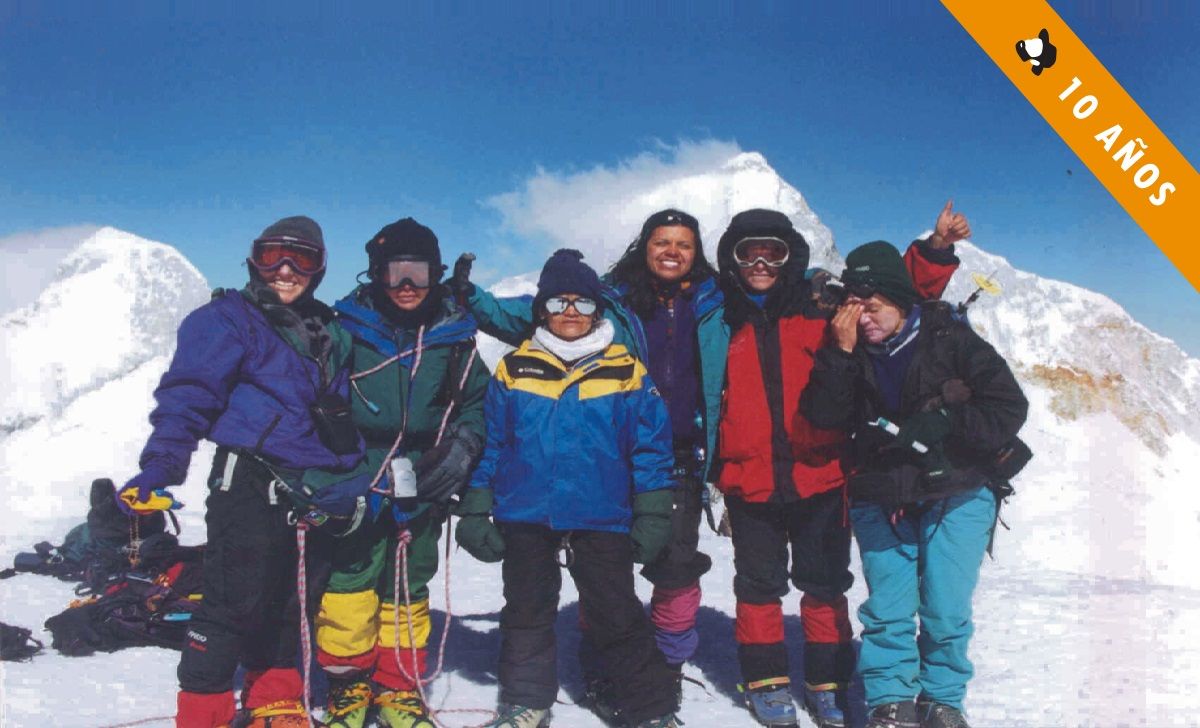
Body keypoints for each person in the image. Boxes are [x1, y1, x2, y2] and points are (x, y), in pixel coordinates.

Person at [453, 210, 723, 713]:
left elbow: (649, 448)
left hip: (603, 511)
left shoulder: (625, 369)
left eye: (582, 302)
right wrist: (475, 507)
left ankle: (647, 707)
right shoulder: (515, 368)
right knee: (527, 613)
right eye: (558, 302)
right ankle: (526, 704)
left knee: (616, 612)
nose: (571, 311)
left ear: (599, 309)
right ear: (541, 310)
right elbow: (494, 444)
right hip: (527, 512)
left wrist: (652, 512)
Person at [713, 205, 967, 728]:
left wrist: (935, 251)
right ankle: (766, 681)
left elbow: (891, 293)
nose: (761, 264)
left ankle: (827, 683)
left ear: (790, 256)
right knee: (758, 585)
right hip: (748, 475)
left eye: (773, 253)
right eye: (748, 253)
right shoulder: (719, 314)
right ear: (731, 259)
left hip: (821, 473)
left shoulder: (820, 305)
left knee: (825, 583)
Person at [118, 216, 366, 727]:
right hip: (248, 479)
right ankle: (203, 713)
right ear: (254, 260)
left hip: (313, 486)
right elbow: (189, 394)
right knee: (233, 601)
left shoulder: (327, 328)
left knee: (294, 599)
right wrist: (161, 465)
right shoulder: (226, 320)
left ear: (319, 269)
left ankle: (273, 700)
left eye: (302, 259)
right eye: (273, 255)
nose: (286, 269)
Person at [801, 241, 1028, 728]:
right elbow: (822, 416)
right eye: (854, 308)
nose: (862, 320)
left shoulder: (950, 339)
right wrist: (840, 354)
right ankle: (891, 700)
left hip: (958, 491)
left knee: (945, 608)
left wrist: (946, 421)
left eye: (872, 307)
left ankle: (942, 699)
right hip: (881, 492)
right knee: (887, 609)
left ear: (900, 301)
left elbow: (1008, 406)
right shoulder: (846, 349)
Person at [315, 219, 490, 727]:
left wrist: (464, 446)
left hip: (424, 476)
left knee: (409, 583)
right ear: (376, 274)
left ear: (436, 274)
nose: (407, 284)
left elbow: (476, 402)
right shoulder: (345, 331)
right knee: (349, 583)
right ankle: (348, 686)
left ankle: (398, 687)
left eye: (419, 272)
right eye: (395, 272)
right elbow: (314, 399)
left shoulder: (453, 338)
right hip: (357, 476)